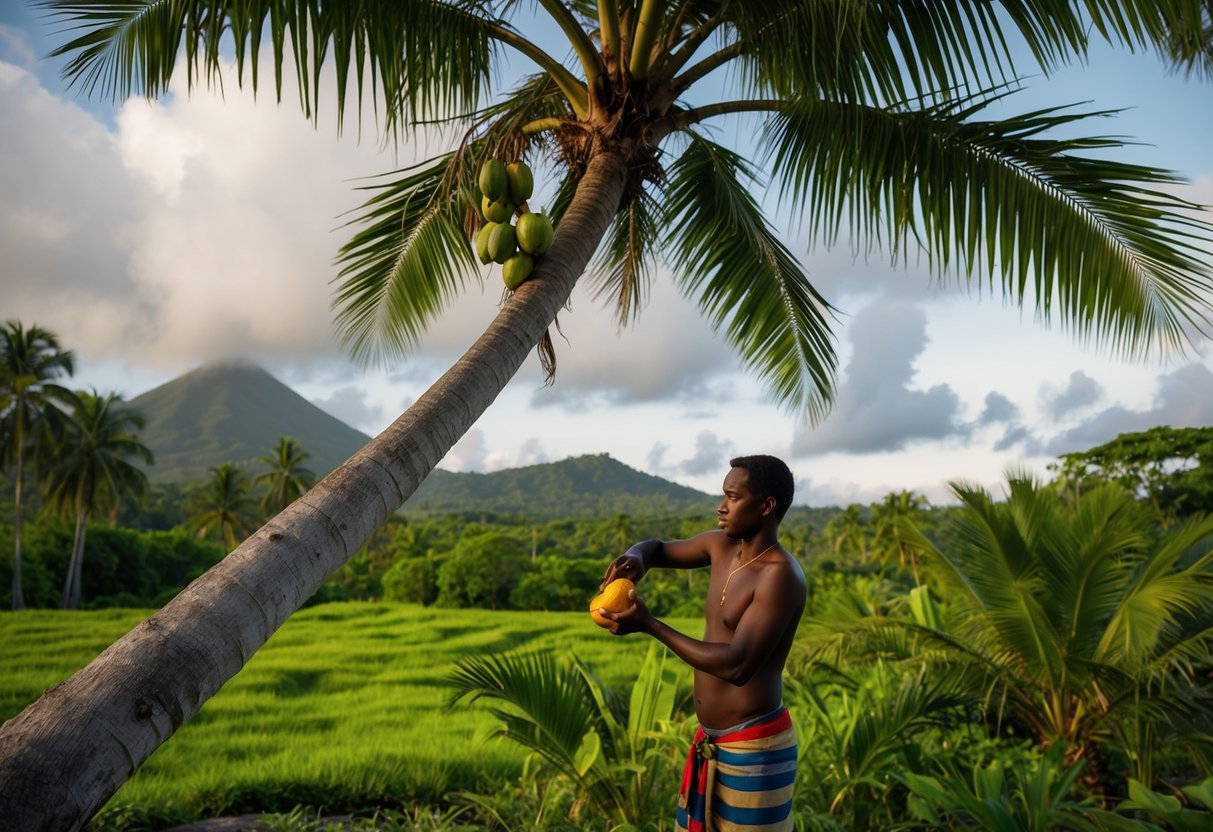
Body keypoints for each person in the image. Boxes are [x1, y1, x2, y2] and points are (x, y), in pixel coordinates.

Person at [598, 454, 806, 832]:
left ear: (766, 507)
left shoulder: (780, 576)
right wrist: (635, 556)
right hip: (710, 744)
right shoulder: (721, 548)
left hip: (754, 748)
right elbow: (658, 547)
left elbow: (738, 665)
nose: (721, 507)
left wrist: (650, 625)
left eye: (732, 497)